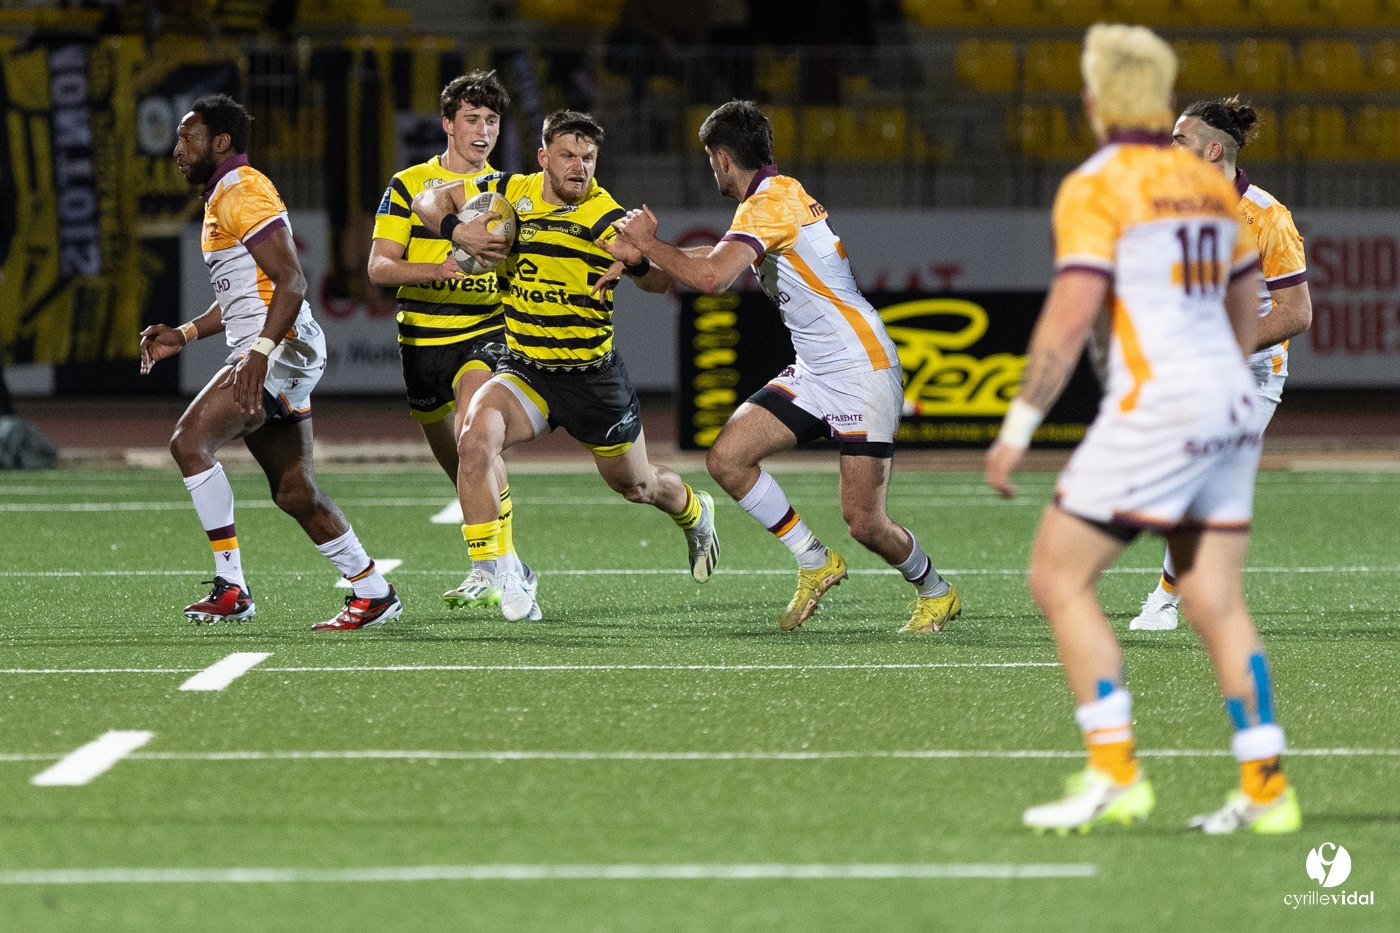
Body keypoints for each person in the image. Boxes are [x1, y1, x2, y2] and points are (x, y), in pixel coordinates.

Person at [985, 25, 1300, 835]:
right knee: (1215, 599)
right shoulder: (1214, 189)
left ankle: (1115, 772)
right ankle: (1266, 785)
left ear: (1095, 100)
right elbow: (1245, 298)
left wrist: (1018, 425)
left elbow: (1068, 318)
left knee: (1057, 577)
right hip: (1229, 405)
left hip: (1161, 407)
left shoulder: (1098, 183)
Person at [594, 100, 958, 634]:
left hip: (861, 371)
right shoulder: (774, 198)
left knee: (865, 523)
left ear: (722, 158)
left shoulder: (769, 203)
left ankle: (935, 590)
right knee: (728, 460)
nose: (712, 170)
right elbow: (708, 260)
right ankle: (815, 560)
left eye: (710, 161)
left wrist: (648, 243)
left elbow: (712, 278)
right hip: (817, 371)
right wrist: (642, 260)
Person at [410, 110, 720, 610]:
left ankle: (695, 511)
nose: (580, 167)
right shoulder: (509, 193)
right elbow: (427, 198)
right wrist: (455, 230)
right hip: (526, 371)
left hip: (592, 380)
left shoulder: (605, 217)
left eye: (589, 158)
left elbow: (662, 280)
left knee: (636, 486)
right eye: (568, 156)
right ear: (543, 157)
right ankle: (494, 571)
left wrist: (639, 260)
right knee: (473, 438)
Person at [140, 94, 400, 631]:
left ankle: (232, 588)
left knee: (189, 443)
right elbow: (246, 294)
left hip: (279, 347)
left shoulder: (242, 189)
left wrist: (259, 353)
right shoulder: (225, 193)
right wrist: (186, 333)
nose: (177, 149)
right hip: (277, 346)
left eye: (187, 138)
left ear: (220, 142)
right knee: (294, 491)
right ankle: (373, 591)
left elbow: (292, 280)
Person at [1129, 96, 1313, 631]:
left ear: (1212, 151)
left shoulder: (1267, 217)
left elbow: (1296, 313)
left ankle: (1168, 599)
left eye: (1179, 140)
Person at [367, 70, 539, 622]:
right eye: (472, 119)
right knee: (460, 460)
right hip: (421, 337)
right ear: (447, 124)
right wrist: (437, 269)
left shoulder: (509, 192)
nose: (483, 131)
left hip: (485, 330)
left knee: (474, 435)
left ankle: (492, 570)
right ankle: (513, 567)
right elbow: (379, 268)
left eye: (492, 120)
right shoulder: (407, 184)